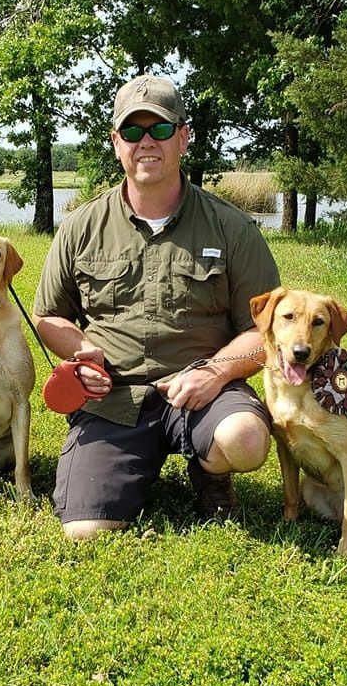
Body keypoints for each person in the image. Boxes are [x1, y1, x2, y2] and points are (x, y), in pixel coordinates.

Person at [33, 73, 280, 540]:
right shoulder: (81, 226)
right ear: (115, 143)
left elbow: (266, 332)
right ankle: (124, 472)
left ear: (183, 138)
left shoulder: (231, 227)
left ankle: (211, 470)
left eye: (160, 130)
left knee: (245, 440)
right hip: (116, 399)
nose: (146, 142)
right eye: (132, 131)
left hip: (203, 393)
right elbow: (48, 315)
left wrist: (216, 372)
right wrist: (82, 349)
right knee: (85, 530)